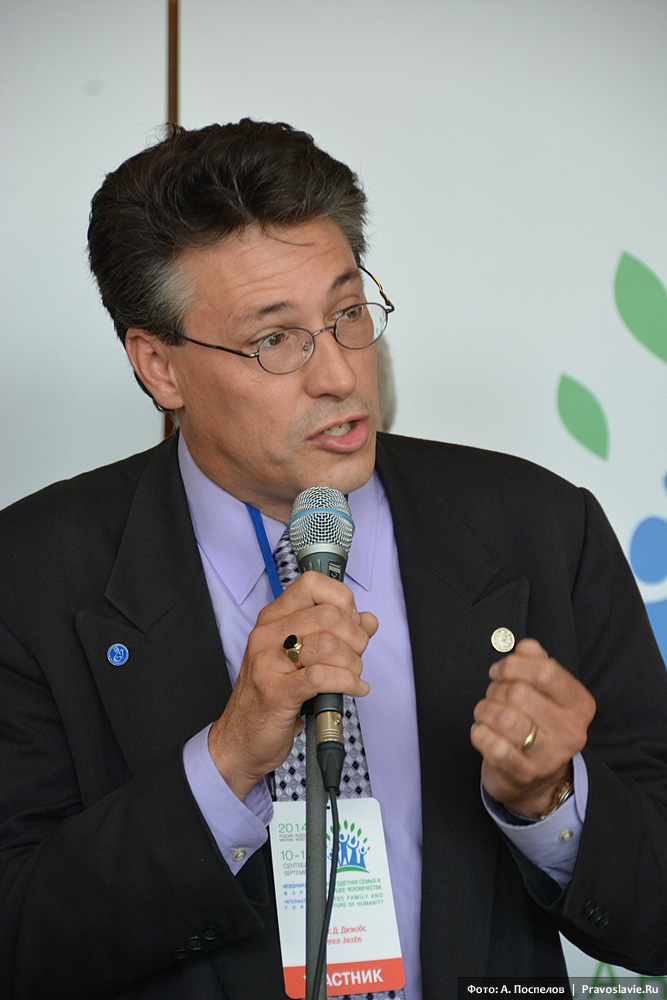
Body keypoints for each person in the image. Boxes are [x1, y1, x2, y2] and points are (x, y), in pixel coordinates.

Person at [1, 119, 667, 1000]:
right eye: (275, 340)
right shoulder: (31, 574)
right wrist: (225, 761)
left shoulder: (540, 527)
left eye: (348, 314)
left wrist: (550, 801)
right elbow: (18, 941)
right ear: (160, 367)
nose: (342, 375)